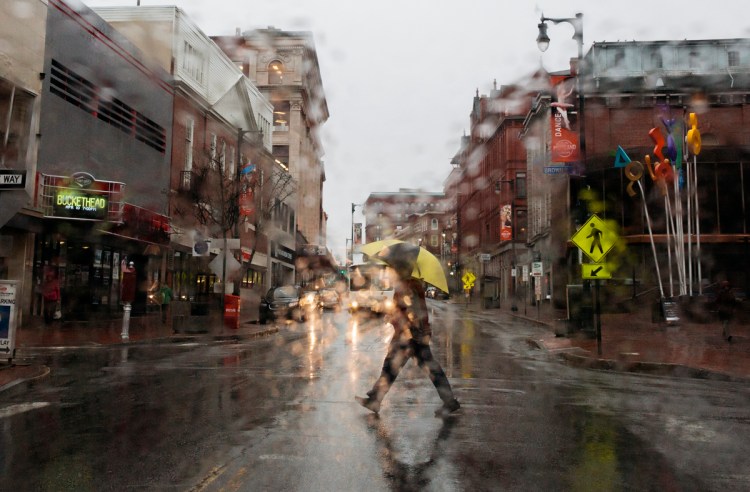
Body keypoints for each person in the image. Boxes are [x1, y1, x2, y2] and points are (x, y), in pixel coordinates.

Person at [356, 261, 460, 417]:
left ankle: (376, 399)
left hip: (411, 335)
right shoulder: (408, 284)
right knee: (396, 366)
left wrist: (395, 315)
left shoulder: (408, 286)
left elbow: (410, 310)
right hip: (411, 334)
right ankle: (376, 399)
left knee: (395, 365)